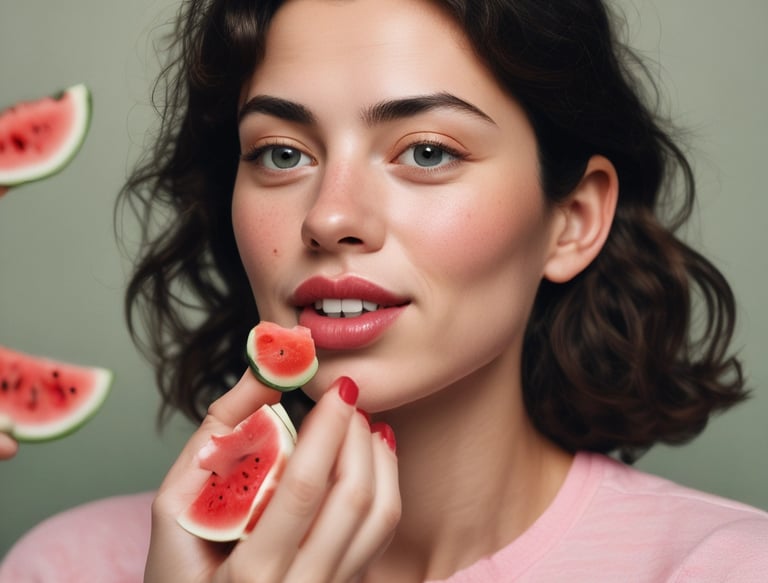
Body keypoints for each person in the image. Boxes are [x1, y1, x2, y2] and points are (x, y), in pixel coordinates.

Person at [2, 0, 767, 581]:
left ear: (572, 220)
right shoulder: (66, 565)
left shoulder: (723, 566)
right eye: (280, 153)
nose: (330, 217)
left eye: (427, 151)